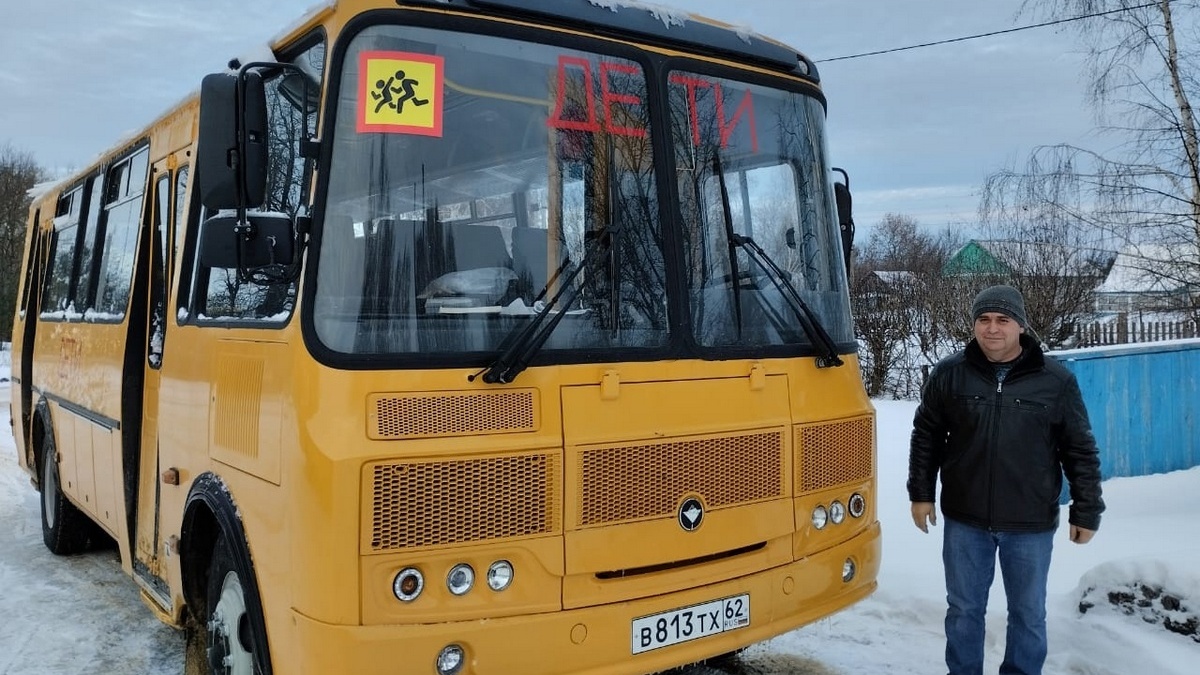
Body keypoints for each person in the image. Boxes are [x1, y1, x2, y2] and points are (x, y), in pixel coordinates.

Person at [907, 284, 1105, 675]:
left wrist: (1087, 510)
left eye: (1002, 320)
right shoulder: (950, 374)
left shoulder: (1055, 381)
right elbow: (926, 434)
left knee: (1028, 614)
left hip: (1029, 523)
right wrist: (921, 493)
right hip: (966, 519)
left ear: (1020, 326)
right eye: (983, 319)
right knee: (964, 610)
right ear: (974, 324)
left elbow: (1079, 449)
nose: (992, 329)